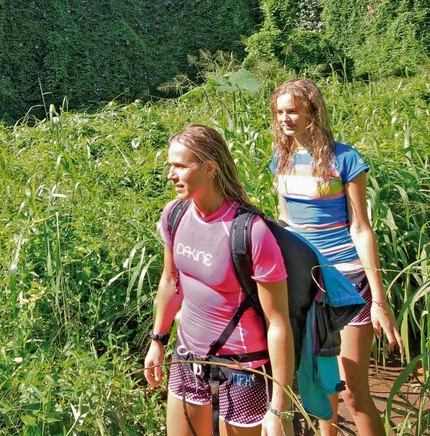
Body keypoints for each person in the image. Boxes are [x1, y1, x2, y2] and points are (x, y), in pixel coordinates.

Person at [268, 79, 403, 436]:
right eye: (279, 112)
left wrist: (379, 300)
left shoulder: (345, 159)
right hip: (308, 284)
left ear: (313, 111)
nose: (285, 118)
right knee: (321, 385)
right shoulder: (280, 161)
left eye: (292, 110)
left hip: (348, 282)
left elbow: (361, 227)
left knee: (355, 393)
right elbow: (285, 223)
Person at [143, 124, 295, 436]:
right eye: (170, 165)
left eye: (181, 166)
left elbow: (278, 323)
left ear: (210, 168)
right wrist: (157, 340)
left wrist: (280, 407)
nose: (171, 175)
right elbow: (171, 281)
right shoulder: (174, 215)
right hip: (188, 356)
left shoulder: (251, 232)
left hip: (243, 369)